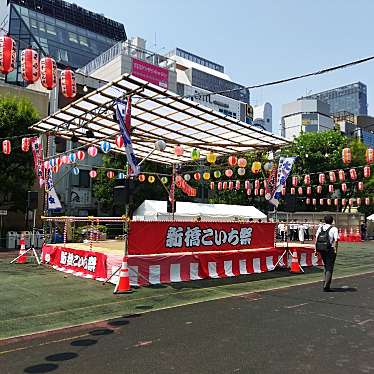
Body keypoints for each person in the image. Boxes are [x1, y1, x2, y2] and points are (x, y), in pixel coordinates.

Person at [315, 215, 339, 292]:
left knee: (325, 265)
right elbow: (336, 240)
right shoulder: (334, 228)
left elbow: (316, 239)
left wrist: (316, 250)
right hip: (329, 249)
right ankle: (326, 286)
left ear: (324, 221)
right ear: (332, 221)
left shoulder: (320, 228)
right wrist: (335, 250)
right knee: (329, 267)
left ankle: (324, 281)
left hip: (321, 249)